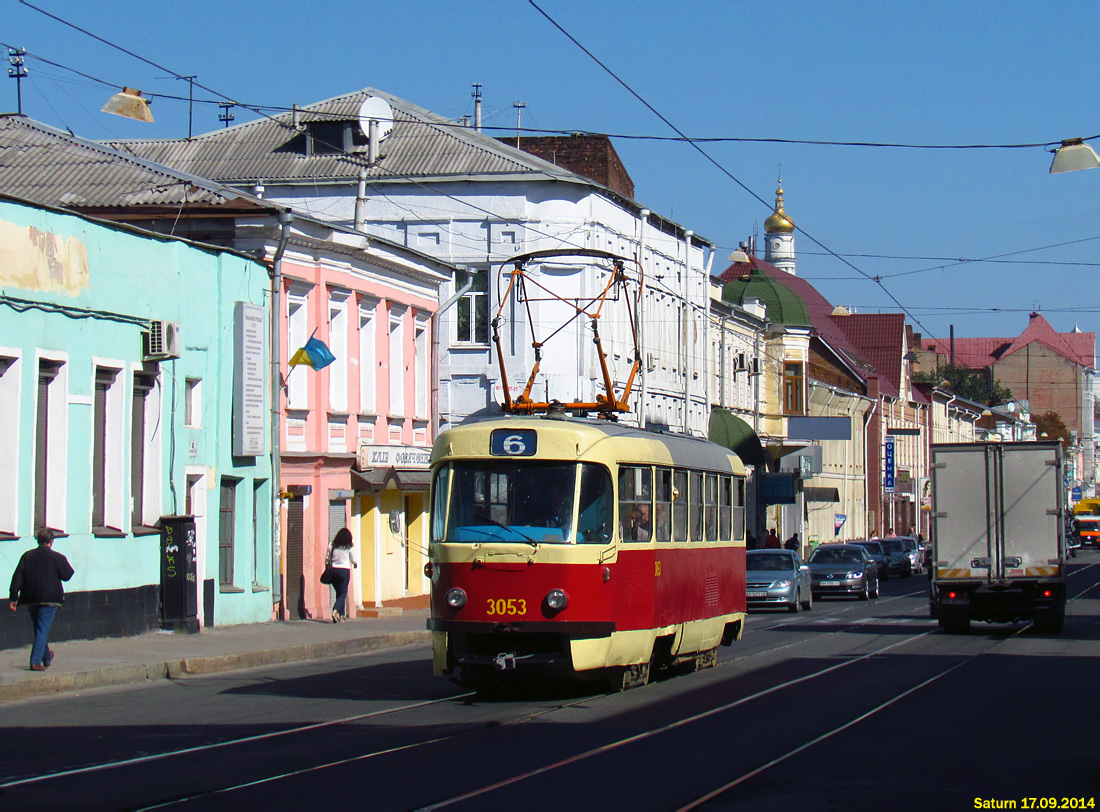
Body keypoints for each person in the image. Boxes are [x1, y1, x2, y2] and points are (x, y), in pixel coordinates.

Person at [8, 528, 74, 671]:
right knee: (42, 629)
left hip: (30, 598)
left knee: (39, 628)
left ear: (38, 540)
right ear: (51, 541)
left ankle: (46, 657)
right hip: (50, 599)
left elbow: (17, 578)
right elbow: (67, 575)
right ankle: (36, 661)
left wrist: (14, 597)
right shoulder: (57, 557)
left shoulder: (27, 556)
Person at [326, 528, 357, 623]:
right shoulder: (349, 546)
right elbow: (353, 558)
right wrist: (355, 563)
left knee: (339, 592)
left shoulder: (332, 545)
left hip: (334, 570)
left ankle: (342, 615)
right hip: (344, 571)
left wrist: (326, 568)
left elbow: (327, 558)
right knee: (343, 593)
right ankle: (335, 610)